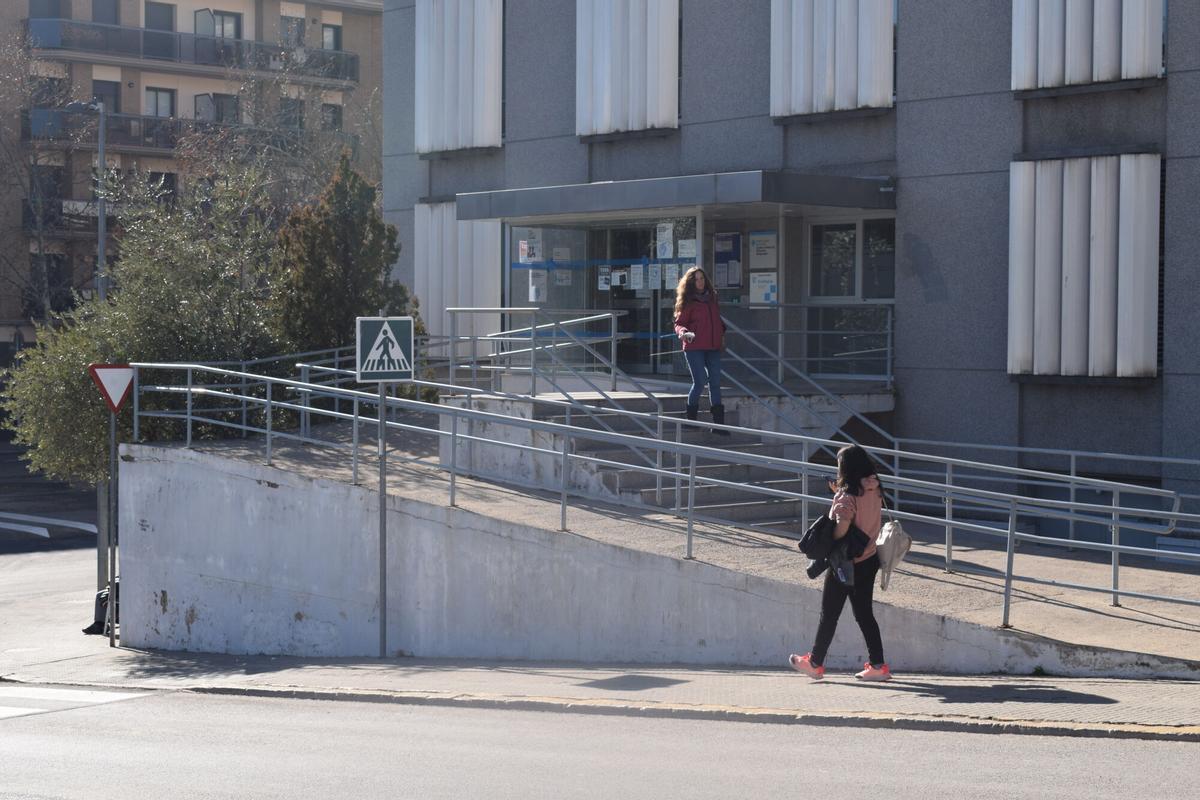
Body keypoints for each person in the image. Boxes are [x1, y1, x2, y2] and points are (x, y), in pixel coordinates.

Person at [789, 444, 892, 681]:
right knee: (864, 614)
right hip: (869, 557)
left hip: (845, 562)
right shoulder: (874, 487)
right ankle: (878, 666)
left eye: (839, 465)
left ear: (846, 467)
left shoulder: (847, 496)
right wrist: (840, 492)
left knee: (830, 613)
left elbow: (842, 528)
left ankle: (815, 663)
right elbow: (862, 509)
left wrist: (831, 532)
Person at [673, 266, 728, 435]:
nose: (700, 282)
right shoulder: (688, 301)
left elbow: (715, 319)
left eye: (702, 278)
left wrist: (721, 330)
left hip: (713, 346)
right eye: (696, 279)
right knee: (700, 381)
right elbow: (678, 323)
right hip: (694, 346)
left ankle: (719, 426)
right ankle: (691, 420)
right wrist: (683, 333)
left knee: (716, 383)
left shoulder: (712, 298)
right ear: (690, 282)